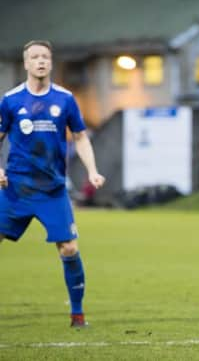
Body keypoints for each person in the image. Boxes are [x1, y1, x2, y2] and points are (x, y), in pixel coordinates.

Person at [0, 40, 106, 328]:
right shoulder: (10, 100)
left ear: (51, 62)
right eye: (34, 57)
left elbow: (81, 137)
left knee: (69, 248)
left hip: (52, 189)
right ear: (26, 63)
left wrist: (92, 170)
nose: (40, 61)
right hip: (16, 188)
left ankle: (77, 313)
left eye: (45, 56)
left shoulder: (65, 99)